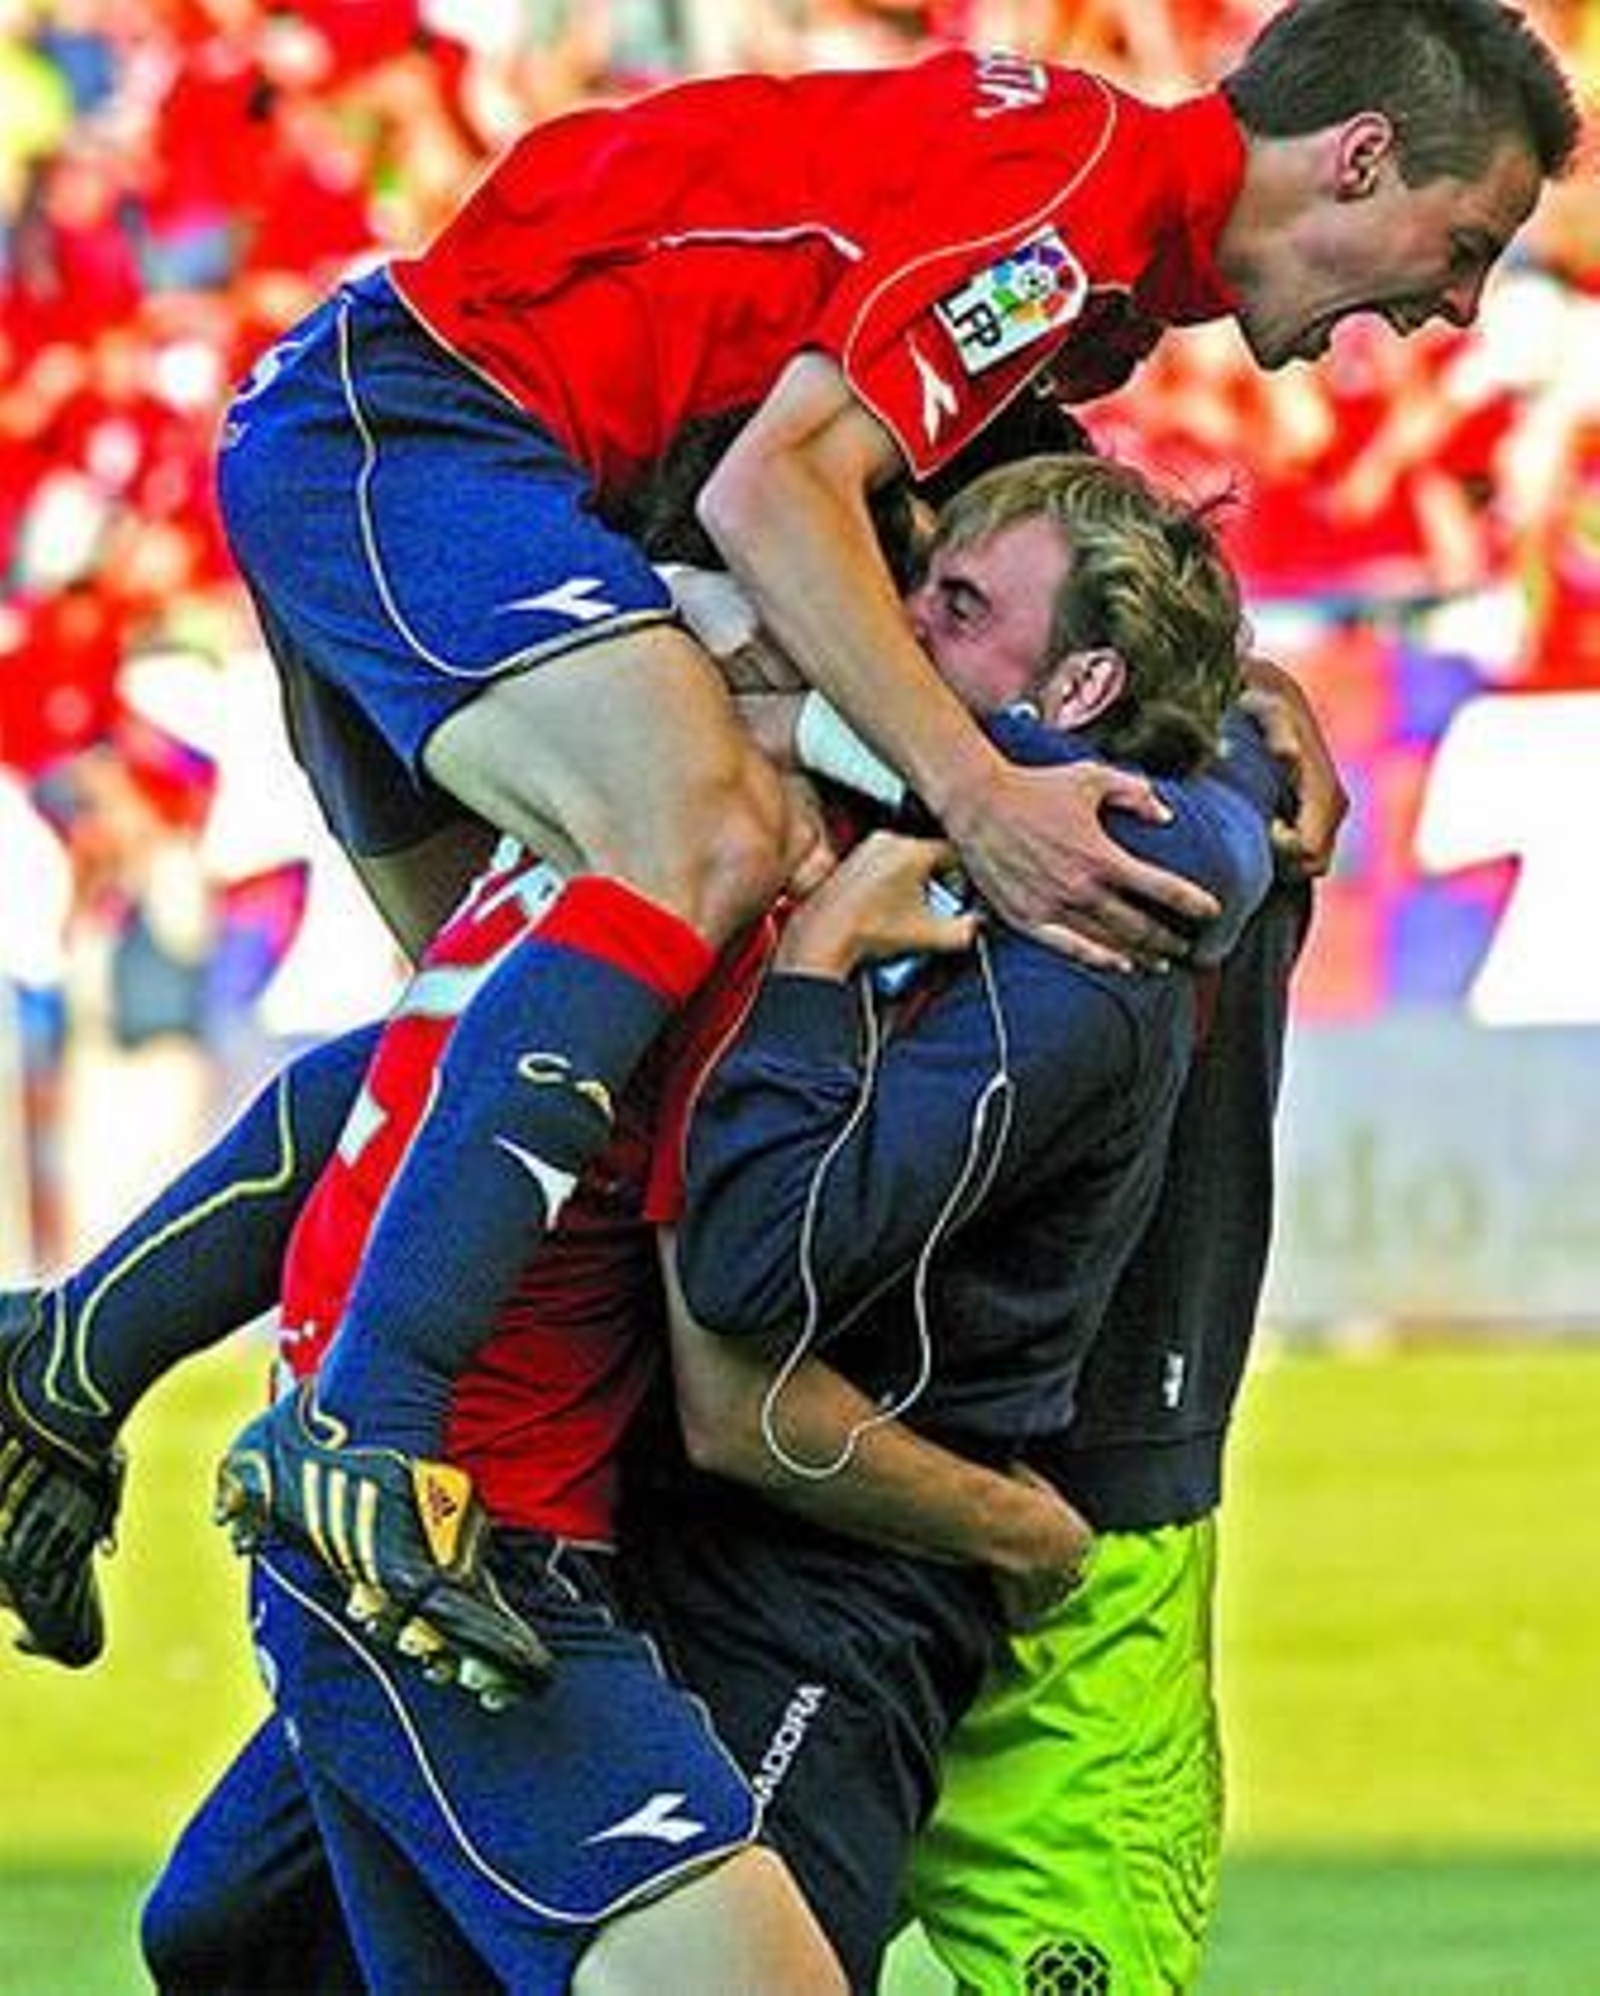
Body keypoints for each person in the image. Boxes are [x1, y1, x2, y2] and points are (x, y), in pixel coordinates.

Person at [175, 0, 1580, 1677]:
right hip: (425, 432)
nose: (1452, 307)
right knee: (703, 835)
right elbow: (774, 496)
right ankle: (367, 1431)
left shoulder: (1093, 246)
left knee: (528, 1026)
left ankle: (73, 1368)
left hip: (433, 446)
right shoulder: (1071, 209)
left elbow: (962, 499)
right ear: (1358, 156)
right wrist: (985, 801)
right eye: (1466, 244)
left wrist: (1237, 671)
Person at [138, 447, 1267, 1990]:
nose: (891, 634)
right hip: (531, 1523)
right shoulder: (731, 826)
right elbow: (729, 1347)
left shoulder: (1049, 947)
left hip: (806, 1593)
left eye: (946, 602)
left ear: (1073, 692)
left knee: (241, 1934)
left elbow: (738, 1298)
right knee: (247, 1934)